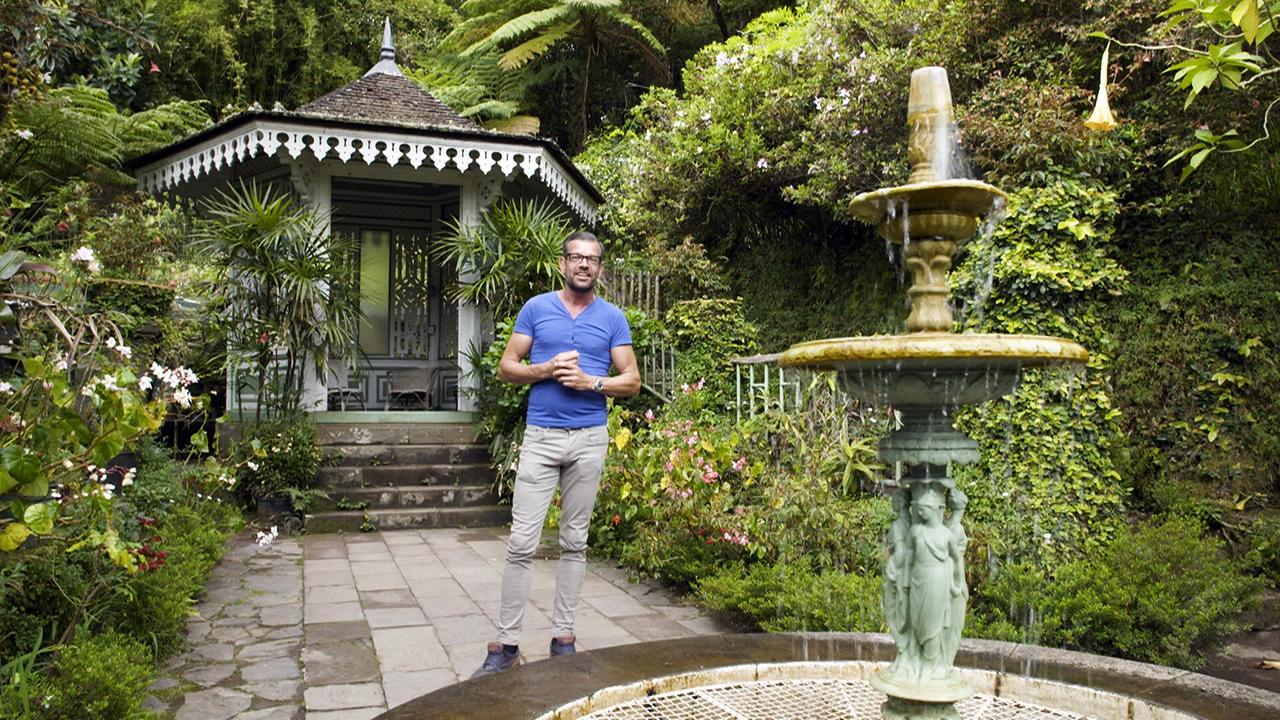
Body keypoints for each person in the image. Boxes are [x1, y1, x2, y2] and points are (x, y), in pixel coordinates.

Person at [473, 230, 640, 677]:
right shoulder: (536, 309)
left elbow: (632, 380)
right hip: (543, 436)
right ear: (563, 264)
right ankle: (506, 644)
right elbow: (507, 367)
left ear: (600, 269)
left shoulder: (613, 319)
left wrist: (593, 383)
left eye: (592, 259)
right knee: (522, 542)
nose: (584, 265)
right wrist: (544, 370)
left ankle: (563, 637)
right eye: (576, 258)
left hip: (588, 438)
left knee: (574, 542)